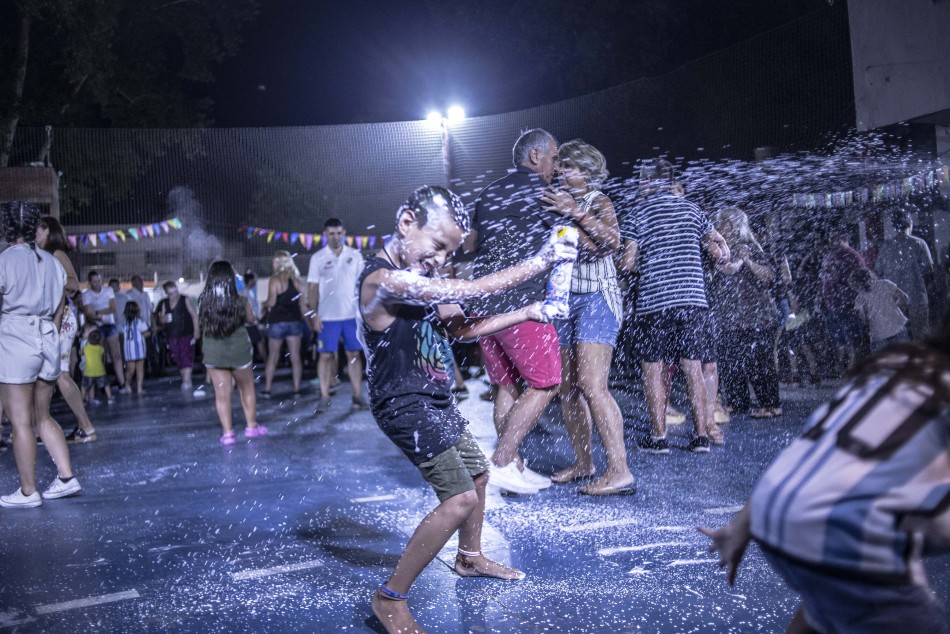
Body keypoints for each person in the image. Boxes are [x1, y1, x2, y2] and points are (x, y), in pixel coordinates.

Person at [358, 185, 577, 634]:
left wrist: (528, 312)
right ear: (406, 223)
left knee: (477, 474)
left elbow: (460, 329)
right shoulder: (382, 281)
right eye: (438, 245)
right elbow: (472, 287)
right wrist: (541, 261)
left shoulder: (422, 275)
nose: (440, 258)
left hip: (436, 399)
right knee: (459, 498)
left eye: (449, 252)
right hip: (403, 404)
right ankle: (389, 598)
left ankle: (470, 558)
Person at [699, 320, 950, 633]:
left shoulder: (900, 362)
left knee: (833, 598)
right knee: (880, 596)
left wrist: (740, 527)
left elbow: (817, 450)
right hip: (841, 529)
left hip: (774, 505)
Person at [463, 128, 564, 495]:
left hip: (486, 309)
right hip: (522, 306)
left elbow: (473, 245)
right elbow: (572, 241)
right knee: (546, 382)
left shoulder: (489, 192)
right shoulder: (544, 194)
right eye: (554, 158)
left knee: (506, 385)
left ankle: (515, 466)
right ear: (536, 156)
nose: (556, 167)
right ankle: (503, 460)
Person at [540, 139, 634, 494]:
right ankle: (584, 463)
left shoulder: (599, 201)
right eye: (561, 166)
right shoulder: (555, 201)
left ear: (589, 172)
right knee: (568, 390)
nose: (562, 172)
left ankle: (620, 470)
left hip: (597, 297)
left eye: (570, 167)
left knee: (593, 386)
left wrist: (575, 215)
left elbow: (611, 243)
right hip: (563, 300)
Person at [622, 159, 729, 454]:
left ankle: (659, 438)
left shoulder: (637, 213)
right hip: (693, 300)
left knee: (653, 368)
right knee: (692, 367)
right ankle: (700, 436)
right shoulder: (692, 209)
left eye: (642, 180)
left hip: (654, 302)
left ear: (648, 181)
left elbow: (627, 263)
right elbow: (718, 249)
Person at [0, 201, 82, 508]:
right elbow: (60, 310)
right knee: (42, 416)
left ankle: (27, 491)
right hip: (47, 338)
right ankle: (67, 477)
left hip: (15, 338)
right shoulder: (51, 262)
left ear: (7, 228)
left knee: (21, 422)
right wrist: (49, 339)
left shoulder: (5, 260)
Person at [709, 207, 782, 419]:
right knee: (731, 363)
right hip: (729, 319)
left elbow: (768, 276)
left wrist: (747, 262)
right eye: (719, 223)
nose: (720, 227)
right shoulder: (720, 251)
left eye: (724, 223)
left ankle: (771, 404)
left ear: (736, 226)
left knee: (759, 362)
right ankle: (738, 402)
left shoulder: (751, 248)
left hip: (757, 318)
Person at [35, 215, 97, 443]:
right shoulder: (41, 255)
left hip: (63, 319)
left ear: (48, 231)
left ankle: (86, 427)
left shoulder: (56, 253)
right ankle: (40, 428)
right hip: (52, 318)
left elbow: (74, 283)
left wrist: (53, 283)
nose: (35, 233)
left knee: (60, 375)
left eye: (39, 229)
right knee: (49, 376)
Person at [198, 260, 266, 445]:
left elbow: (202, 324)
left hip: (214, 353)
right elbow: (251, 320)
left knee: (222, 395)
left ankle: (228, 434)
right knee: (247, 388)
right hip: (238, 351)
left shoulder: (204, 301)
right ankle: (251, 427)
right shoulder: (240, 299)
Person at [307, 218, 367, 413]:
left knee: (354, 355)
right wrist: (314, 315)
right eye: (331, 233)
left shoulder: (355, 255)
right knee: (325, 356)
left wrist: (364, 312)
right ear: (325, 234)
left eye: (339, 233)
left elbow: (363, 286)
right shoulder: (317, 258)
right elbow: (312, 288)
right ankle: (324, 396)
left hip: (351, 316)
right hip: (327, 317)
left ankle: (357, 394)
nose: (335, 237)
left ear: (344, 233)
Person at [875, 209, 934, 341]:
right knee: (921, 334)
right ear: (910, 223)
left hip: (894, 299)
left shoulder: (886, 246)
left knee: (899, 336)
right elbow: (929, 268)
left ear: (894, 225)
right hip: (917, 295)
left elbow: (878, 271)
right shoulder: (919, 243)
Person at [819, 227, 866, 377]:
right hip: (832, 304)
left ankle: (851, 369)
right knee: (839, 339)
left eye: (836, 238)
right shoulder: (830, 255)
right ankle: (841, 368)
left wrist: (857, 301)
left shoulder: (854, 256)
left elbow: (862, 279)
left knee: (851, 338)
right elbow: (824, 277)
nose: (832, 241)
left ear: (845, 239)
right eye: (831, 238)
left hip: (848, 304)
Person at [262, 250, 308, 398]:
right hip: (294, 322)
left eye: (275, 261)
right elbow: (303, 305)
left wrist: (263, 304)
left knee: (273, 356)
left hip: (277, 322)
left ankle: (267, 389)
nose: (273, 264)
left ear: (280, 263)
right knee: (295, 357)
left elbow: (272, 302)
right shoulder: (297, 281)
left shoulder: (274, 280)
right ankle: (296, 389)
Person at [82, 271, 127, 392]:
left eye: (99, 280)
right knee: (100, 356)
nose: (97, 283)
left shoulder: (108, 290)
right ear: (90, 282)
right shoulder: (86, 295)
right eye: (95, 281)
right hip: (97, 327)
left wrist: (97, 312)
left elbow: (113, 308)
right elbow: (88, 313)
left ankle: (122, 383)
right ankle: (102, 385)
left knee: (116, 355)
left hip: (110, 325)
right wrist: (100, 316)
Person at [851, 268, 910, 353]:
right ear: (870, 275)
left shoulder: (860, 298)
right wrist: (894, 307)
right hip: (897, 328)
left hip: (878, 335)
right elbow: (905, 298)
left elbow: (862, 318)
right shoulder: (885, 283)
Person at [155, 280, 200, 389]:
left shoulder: (185, 299)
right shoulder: (164, 303)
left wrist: (196, 330)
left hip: (187, 333)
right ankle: (187, 379)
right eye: (171, 293)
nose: (174, 295)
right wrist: (162, 319)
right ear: (167, 293)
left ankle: (186, 381)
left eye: (175, 292)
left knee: (186, 355)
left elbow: (194, 315)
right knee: (177, 357)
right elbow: (161, 319)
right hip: (172, 335)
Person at [126, 274, 158, 377]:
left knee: (150, 348)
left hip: (146, 326)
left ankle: (154, 371)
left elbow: (150, 311)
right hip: (136, 327)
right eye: (139, 281)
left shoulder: (145, 294)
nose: (141, 283)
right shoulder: (129, 295)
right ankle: (142, 372)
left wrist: (153, 325)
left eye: (141, 281)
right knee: (140, 350)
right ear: (133, 283)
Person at [122, 301, 150, 394]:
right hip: (139, 348)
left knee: (131, 369)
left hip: (129, 350)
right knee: (139, 369)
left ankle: (128, 385)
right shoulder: (139, 321)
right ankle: (138, 388)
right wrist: (149, 333)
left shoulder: (124, 323)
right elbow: (145, 333)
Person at [81, 328, 113, 405]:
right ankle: (110, 398)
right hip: (100, 371)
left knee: (84, 385)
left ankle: (83, 399)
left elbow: (80, 353)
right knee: (106, 384)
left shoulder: (85, 348)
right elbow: (103, 357)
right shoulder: (101, 349)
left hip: (88, 372)